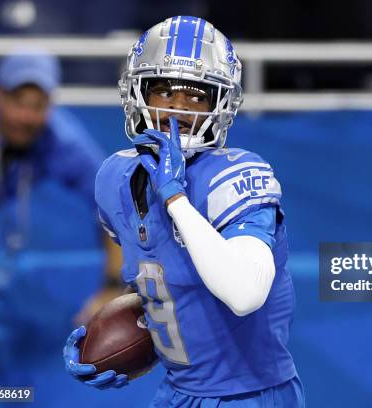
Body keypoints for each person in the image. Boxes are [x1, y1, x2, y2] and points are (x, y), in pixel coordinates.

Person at [63, 16, 304, 407]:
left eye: (197, 96)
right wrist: (111, 341)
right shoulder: (115, 177)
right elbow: (164, 284)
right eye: (163, 92)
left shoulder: (238, 174)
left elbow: (244, 294)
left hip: (248, 396)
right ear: (137, 93)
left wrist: (176, 198)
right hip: (177, 392)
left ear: (221, 104)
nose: (178, 109)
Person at [0, 51, 122, 323]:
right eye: (17, 102)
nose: (26, 116)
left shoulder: (60, 139)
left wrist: (113, 288)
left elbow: (115, 203)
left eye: (37, 105)